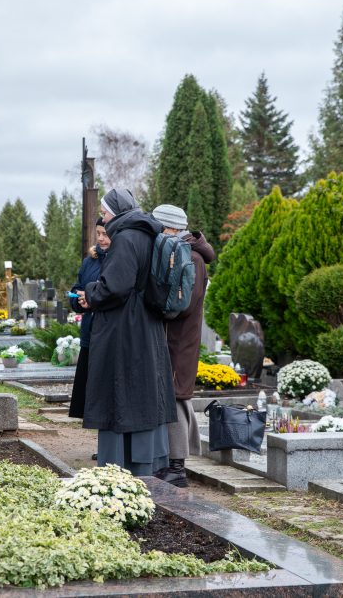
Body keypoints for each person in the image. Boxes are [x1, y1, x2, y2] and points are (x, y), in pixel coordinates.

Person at [78, 188, 177, 476]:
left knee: (121, 391)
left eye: (107, 211)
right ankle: (149, 461)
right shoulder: (147, 233)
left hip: (124, 328)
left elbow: (115, 286)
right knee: (145, 391)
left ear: (118, 212)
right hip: (147, 324)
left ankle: (118, 466)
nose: (104, 217)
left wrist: (91, 293)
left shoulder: (125, 237)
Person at [151, 204, 215, 488]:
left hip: (180, 340)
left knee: (176, 396)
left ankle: (178, 466)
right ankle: (170, 460)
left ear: (170, 228)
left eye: (158, 227)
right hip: (172, 337)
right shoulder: (182, 252)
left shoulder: (193, 259)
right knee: (172, 396)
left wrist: (159, 307)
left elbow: (184, 304)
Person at [67, 218, 110, 419]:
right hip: (89, 332)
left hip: (107, 332)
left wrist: (93, 299)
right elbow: (77, 287)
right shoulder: (90, 261)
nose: (101, 238)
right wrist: (79, 300)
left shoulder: (117, 260)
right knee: (90, 395)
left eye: (105, 234)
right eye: (98, 233)